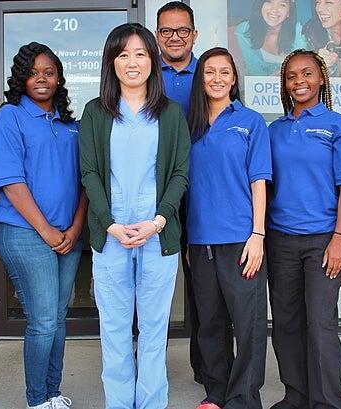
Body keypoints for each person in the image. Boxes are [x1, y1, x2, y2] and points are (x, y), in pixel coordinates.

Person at [79, 23, 190, 409]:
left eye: (141, 54)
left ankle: (152, 403)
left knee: (155, 331)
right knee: (114, 330)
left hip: (158, 236)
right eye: (123, 54)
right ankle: (120, 403)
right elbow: (90, 173)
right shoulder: (95, 112)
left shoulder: (171, 114)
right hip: (111, 237)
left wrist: (158, 221)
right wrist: (109, 223)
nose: (132, 62)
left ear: (152, 61)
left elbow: (180, 174)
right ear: (111, 62)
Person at [0, 41, 86, 409]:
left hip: (67, 236)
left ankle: (52, 393)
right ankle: (37, 399)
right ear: (21, 79)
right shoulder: (10, 118)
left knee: (57, 318)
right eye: (32, 73)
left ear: (59, 78)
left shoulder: (71, 125)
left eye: (48, 72)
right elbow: (11, 182)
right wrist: (46, 230)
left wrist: (74, 229)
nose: (41, 79)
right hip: (26, 233)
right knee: (44, 320)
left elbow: (85, 181)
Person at [266, 49, 341, 409]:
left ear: (321, 77)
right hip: (281, 239)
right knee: (286, 321)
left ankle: (327, 401)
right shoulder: (274, 130)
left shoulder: (338, 125)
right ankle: (296, 394)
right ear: (284, 84)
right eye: (291, 76)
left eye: (306, 73)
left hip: (323, 239)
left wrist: (340, 239)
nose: (299, 81)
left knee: (320, 322)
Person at [186, 47, 270, 409]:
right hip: (200, 240)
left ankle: (244, 398)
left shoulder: (250, 121)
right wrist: (188, 241)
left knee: (248, 324)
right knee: (210, 323)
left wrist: (258, 235)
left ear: (234, 79)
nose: (217, 78)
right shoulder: (190, 124)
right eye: (209, 72)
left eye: (224, 72)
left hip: (241, 239)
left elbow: (259, 181)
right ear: (200, 79)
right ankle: (217, 393)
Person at [154, 0, 201, 384]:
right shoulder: (146, 72)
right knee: (150, 282)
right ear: (157, 35)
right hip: (155, 192)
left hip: (201, 191)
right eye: (167, 31)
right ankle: (151, 364)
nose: (175, 37)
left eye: (182, 30)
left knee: (202, 282)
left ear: (194, 35)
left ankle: (206, 365)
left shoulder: (210, 73)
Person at [233, 0, 307, 76]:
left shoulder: (298, 31)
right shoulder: (245, 30)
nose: (274, 9)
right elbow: (254, 69)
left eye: (282, 5)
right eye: (269, 1)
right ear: (261, 5)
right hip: (258, 82)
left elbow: (299, 65)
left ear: (289, 12)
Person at [302, 0, 341, 77]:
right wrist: (317, 62)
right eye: (317, 2)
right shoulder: (310, 32)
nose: (320, 9)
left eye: (328, 3)